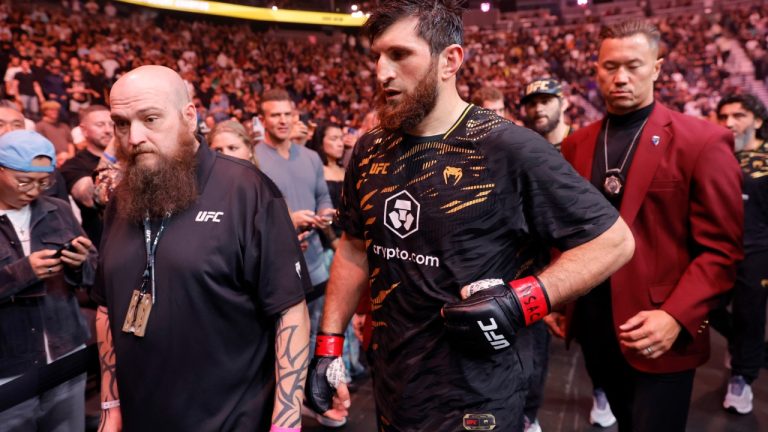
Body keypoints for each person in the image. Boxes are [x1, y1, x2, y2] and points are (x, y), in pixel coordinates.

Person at [305, 2, 635, 431]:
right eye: (378, 57)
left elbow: (614, 241)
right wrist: (328, 345)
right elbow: (353, 246)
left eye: (400, 55)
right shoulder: (370, 150)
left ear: (451, 60)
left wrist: (523, 301)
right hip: (394, 386)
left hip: (480, 396)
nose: (382, 72)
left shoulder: (509, 148)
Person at [93, 65, 311, 432]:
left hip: (232, 421)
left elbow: (290, 312)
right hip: (140, 417)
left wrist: (286, 424)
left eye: (150, 118)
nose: (134, 137)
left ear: (189, 116)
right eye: (121, 123)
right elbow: (105, 307)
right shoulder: (122, 198)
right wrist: (110, 404)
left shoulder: (247, 190)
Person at [560, 20, 743, 431]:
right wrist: (562, 296)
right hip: (596, 325)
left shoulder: (702, 140)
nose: (620, 77)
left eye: (634, 65)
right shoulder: (578, 143)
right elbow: (570, 228)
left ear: (657, 68)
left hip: (659, 326)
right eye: (610, 66)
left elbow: (722, 250)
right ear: (596, 69)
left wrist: (677, 316)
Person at [0, 130, 96, 431]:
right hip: (8, 366)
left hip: (65, 352)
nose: (33, 191)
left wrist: (81, 265)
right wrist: (23, 273)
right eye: (24, 181)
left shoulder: (59, 210)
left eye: (43, 182)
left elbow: (94, 270)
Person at [715, 93, 768, 414]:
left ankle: (742, 378)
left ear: (758, 121)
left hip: (758, 251)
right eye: (723, 116)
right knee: (705, 308)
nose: (729, 123)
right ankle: (744, 347)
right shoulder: (717, 155)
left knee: (751, 314)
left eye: (738, 116)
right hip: (716, 249)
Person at [60, 104, 113, 247]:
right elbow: (88, 198)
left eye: (112, 124)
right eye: (100, 125)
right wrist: (112, 153)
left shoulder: (131, 158)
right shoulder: (74, 165)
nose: (108, 130)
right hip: (102, 245)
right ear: (83, 130)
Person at [521, 78, 571, 150]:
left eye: (545, 101)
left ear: (563, 104)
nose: (538, 109)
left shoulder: (582, 144)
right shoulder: (524, 151)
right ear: (525, 110)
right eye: (532, 104)